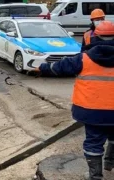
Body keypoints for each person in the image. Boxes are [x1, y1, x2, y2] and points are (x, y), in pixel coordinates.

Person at [36, 20, 114, 180]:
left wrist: (42, 68)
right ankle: (109, 164)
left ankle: (95, 176)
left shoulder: (83, 59)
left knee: (93, 142)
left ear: (95, 38)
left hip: (92, 112)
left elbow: (59, 67)